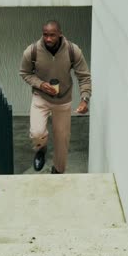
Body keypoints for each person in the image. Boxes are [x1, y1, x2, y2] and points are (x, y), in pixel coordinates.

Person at [20, 20, 91, 174]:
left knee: (62, 140)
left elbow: (84, 76)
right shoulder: (31, 51)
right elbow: (25, 73)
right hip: (41, 97)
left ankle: (58, 171)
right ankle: (41, 148)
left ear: (60, 34)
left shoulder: (73, 51)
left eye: (52, 35)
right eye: (45, 35)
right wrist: (40, 84)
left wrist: (85, 99)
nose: (48, 39)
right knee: (37, 132)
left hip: (63, 100)